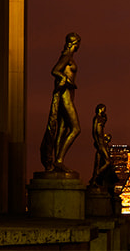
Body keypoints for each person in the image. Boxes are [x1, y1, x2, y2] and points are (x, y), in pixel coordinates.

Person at [40, 33, 82, 172]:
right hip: (65, 95)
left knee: (62, 129)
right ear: (73, 43)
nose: (78, 46)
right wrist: (67, 80)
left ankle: (58, 161)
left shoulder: (68, 57)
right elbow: (55, 70)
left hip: (68, 94)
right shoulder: (67, 57)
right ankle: (58, 159)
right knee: (76, 129)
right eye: (77, 43)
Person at [88, 104, 114, 189]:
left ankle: (94, 180)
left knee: (98, 163)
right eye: (103, 109)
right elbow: (95, 131)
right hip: (100, 142)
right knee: (107, 162)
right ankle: (95, 177)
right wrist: (97, 142)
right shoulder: (97, 118)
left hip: (101, 141)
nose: (104, 111)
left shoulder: (100, 119)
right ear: (99, 109)